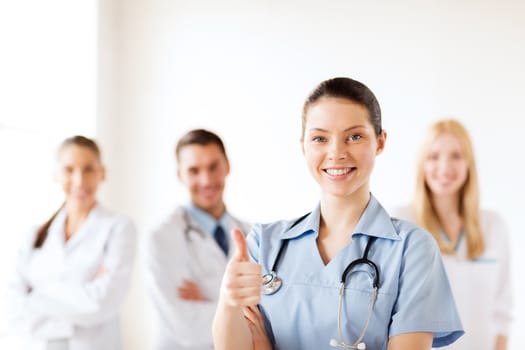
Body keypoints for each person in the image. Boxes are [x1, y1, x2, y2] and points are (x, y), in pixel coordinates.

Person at [212, 77, 465, 350]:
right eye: (320, 138)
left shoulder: (412, 249)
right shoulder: (264, 243)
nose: (336, 153)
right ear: (303, 145)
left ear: (380, 142)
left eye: (354, 136)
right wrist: (229, 301)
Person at [391, 119, 513, 350]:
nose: (445, 167)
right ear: (422, 165)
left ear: (469, 164)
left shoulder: (494, 225)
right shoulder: (401, 222)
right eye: (434, 156)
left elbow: (502, 310)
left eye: (456, 156)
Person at [6, 135, 137, 350]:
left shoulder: (119, 228)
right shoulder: (34, 236)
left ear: (102, 173)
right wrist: (80, 295)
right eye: (69, 169)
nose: (79, 180)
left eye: (88, 169)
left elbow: (101, 304)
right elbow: (12, 309)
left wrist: (36, 295)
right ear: (56, 174)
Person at [145, 128, 251, 350]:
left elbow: (270, 315)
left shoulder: (251, 234)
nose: (206, 180)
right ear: (180, 175)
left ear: (227, 166)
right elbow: (185, 326)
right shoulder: (162, 238)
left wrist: (209, 300)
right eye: (194, 171)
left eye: (213, 167)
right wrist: (240, 306)